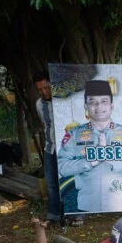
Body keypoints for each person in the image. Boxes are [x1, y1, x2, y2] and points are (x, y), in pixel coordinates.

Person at [57, 80, 122, 213]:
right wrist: (91, 161)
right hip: (87, 206)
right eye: (92, 102)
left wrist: (110, 158)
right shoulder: (74, 134)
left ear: (112, 105)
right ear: (86, 106)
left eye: (104, 101)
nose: (98, 106)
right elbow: (62, 167)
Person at [33, 71, 85, 227]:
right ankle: (53, 215)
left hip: (69, 149)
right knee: (52, 183)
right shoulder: (39, 105)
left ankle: (77, 215)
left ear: (52, 85)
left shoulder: (66, 100)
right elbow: (45, 125)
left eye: (46, 87)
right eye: (40, 90)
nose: (44, 92)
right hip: (50, 148)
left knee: (73, 179)